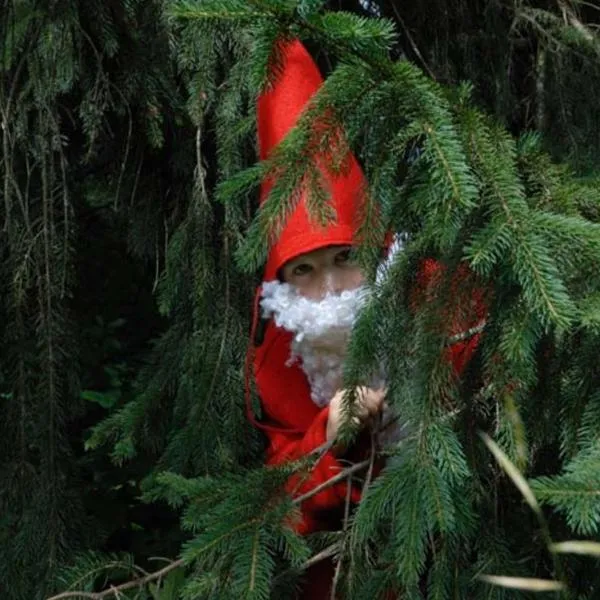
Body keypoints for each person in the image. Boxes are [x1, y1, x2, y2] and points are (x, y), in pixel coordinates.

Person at [246, 39, 485, 599]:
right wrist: (326, 437)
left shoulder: (441, 297)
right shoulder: (281, 353)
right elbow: (280, 512)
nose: (328, 292)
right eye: (304, 269)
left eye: (346, 258)